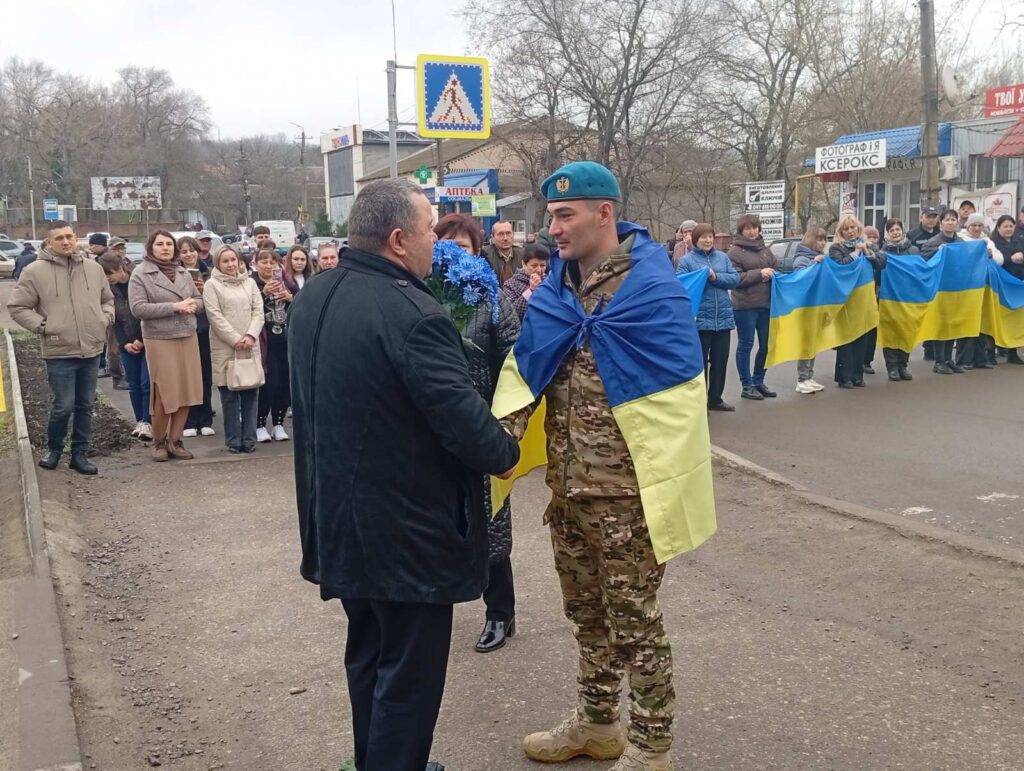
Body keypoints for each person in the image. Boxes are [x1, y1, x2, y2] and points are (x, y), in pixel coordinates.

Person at [288, 178, 519, 771]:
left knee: (367, 653)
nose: (432, 245)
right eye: (426, 231)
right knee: (408, 679)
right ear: (397, 239)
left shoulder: (315, 293)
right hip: (404, 534)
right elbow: (469, 430)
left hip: (335, 519)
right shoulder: (415, 313)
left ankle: (377, 761)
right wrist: (509, 443)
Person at [501, 161, 714, 771]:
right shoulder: (560, 290)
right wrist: (487, 444)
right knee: (587, 618)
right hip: (567, 489)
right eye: (550, 216)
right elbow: (529, 372)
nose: (553, 229)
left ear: (604, 213)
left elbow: (678, 394)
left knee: (636, 626)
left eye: (565, 215)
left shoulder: (651, 286)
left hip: (627, 494)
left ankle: (652, 747)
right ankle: (597, 725)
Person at [432, 214, 523, 654]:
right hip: (432, 430)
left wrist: (501, 420)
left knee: (491, 521)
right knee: (438, 521)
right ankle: (436, 607)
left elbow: (512, 356)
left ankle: (499, 611)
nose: (453, 252)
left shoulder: (491, 296)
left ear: (477, 250)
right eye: (445, 243)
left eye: (463, 246)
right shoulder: (420, 292)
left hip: (481, 422)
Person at [8, 220, 113, 475]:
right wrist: (44, 326)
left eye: (69, 237)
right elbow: (17, 307)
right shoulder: (35, 271)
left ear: (76, 238)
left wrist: (104, 319)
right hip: (59, 350)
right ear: (49, 242)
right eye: (59, 238)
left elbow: (107, 300)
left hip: (91, 348)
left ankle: (80, 454)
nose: (66, 242)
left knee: (85, 405)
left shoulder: (93, 269)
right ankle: (55, 449)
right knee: (63, 405)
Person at [128, 230, 204, 461]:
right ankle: (158, 442)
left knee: (187, 391)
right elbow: (138, 308)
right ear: (151, 248)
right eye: (160, 244)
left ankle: (176, 440)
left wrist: (193, 306)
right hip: (160, 338)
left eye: (169, 244)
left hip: (187, 335)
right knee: (164, 393)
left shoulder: (182, 272)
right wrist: (175, 307)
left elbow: (199, 300)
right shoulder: (141, 274)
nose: (165, 248)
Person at [203, 246, 265, 453]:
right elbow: (214, 315)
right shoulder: (211, 285)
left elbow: (258, 312)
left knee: (250, 394)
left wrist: (250, 336)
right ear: (218, 264)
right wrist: (235, 339)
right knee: (229, 396)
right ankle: (233, 440)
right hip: (226, 348)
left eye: (233, 260)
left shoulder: (249, 283)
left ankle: (249, 439)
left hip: (249, 345)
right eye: (225, 261)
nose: (230, 265)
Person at [677, 223, 740, 410]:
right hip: (700, 321)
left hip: (723, 319)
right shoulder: (686, 261)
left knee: (720, 362)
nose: (708, 240)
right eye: (704, 237)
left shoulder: (722, 257)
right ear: (696, 239)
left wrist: (715, 277)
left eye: (710, 236)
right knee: (700, 364)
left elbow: (735, 279)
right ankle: (699, 403)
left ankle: (715, 399)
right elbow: (681, 284)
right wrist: (702, 276)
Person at [828, 214, 886, 388]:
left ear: (858, 228)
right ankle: (844, 376)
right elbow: (841, 266)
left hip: (865, 299)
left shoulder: (869, 245)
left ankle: (857, 375)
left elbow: (881, 263)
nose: (850, 231)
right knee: (847, 338)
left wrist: (867, 251)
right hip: (847, 300)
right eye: (846, 229)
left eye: (853, 227)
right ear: (841, 232)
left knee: (862, 336)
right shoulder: (836, 248)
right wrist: (856, 252)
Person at [99, 253, 152, 441]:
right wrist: (124, 342)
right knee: (134, 384)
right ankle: (140, 421)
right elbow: (115, 320)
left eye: (109, 274)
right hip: (125, 343)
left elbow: (145, 313)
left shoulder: (138, 283)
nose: (107, 279)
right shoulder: (109, 291)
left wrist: (140, 339)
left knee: (147, 384)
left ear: (120, 269)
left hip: (147, 340)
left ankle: (148, 420)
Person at [728, 213, 778, 400]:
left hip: (766, 305)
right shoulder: (734, 252)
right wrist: (760, 273)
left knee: (766, 346)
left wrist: (774, 273)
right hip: (745, 306)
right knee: (745, 345)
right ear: (741, 231)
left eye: (755, 227)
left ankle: (759, 380)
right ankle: (746, 385)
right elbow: (735, 279)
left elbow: (776, 269)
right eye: (748, 228)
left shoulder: (765, 250)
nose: (752, 231)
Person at [251, 248, 292, 442]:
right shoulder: (251, 283)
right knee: (267, 384)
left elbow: (300, 302)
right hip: (263, 341)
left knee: (283, 383)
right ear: (256, 264)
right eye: (264, 262)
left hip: (284, 339)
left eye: (272, 262)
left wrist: (290, 298)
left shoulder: (286, 282)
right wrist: (263, 293)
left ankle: (278, 423)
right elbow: (247, 307)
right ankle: (259, 425)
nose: (268, 266)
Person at [178, 236, 216, 437]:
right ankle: (189, 420)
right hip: (183, 329)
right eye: (184, 252)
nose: (188, 254)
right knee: (187, 376)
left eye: (191, 250)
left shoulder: (210, 272)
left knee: (205, 375)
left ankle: (205, 417)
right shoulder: (173, 273)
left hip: (205, 328)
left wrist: (205, 290)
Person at [955, 213, 1004, 369]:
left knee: (982, 323)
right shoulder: (960, 239)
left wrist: (991, 255)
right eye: (974, 225)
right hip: (967, 288)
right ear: (967, 226)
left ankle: (980, 358)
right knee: (967, 323)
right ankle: (964, 359)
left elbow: (1000, 260)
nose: (977, 228)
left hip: (984, 288)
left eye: (979, 225)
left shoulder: (987, 240)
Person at [920, 209, 964, 374]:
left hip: (955, 288)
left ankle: (948, 359)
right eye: (947, 220)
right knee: (941, 323)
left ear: (957, 223)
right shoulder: (932, 242)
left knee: (952, 322)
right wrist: (938, 252)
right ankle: (939, 361)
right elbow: (924, 263)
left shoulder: (960, 242)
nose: (950, 223)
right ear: (941, 223)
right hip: (938, 288)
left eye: (953, 220)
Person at [878, 219, 918, 381]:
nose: (895, 232)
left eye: (897, 229)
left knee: (907, 331)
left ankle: (903, 364)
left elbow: (919, 271)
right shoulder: (883, 253)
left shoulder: (914, 251)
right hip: (889, 297)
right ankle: (892, 366)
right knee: (891, 331)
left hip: (909, 298)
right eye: (892, 230)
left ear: (903, 231)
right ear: (888, 233)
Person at [791, 228, 828, 393]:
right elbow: (800, 278)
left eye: (825, 239)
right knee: (806, 342)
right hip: (805, 307)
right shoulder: (802, 258)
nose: (823, 243)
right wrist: (815, 263)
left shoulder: (818, 257)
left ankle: (809, 376)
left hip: (816, 305)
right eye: (820, 239)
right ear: (812, 240)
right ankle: (802, 379)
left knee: (812, 342)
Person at [992, 214, 1024, 365]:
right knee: (999, 318)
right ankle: (993, 350)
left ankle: (1012, 352)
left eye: (1011, 226)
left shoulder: (1020, 240)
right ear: (998, 228)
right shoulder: (994, 243)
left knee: (1016, 320)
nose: (1008, 229)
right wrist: (1011, 258)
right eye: (1005, 226)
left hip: (1018, 285)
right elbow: (996, 262)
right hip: (1002, 286)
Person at [501, 243, 549, 320]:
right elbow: (512, 313)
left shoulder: (549, 281)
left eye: (542, 265)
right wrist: (531, 290)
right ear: (524, 264)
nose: (539, 270)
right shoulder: (510, 284)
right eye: (534, 266)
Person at [861, 225, 882, 374]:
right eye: (870, 237)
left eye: (875, 237)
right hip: (862, 297)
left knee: (872, 330)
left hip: (876, 295)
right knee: (862, 330)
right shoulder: (860, 253)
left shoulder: (879, 253)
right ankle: (859, 360)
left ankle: (868, 360)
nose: (873, 240)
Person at [483, 220, 523, 284]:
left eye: (508, 233)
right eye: (500, 234)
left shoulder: (524, 255)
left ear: (513, 235)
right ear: (492, 238)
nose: (505, 238)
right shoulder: (484, 255)